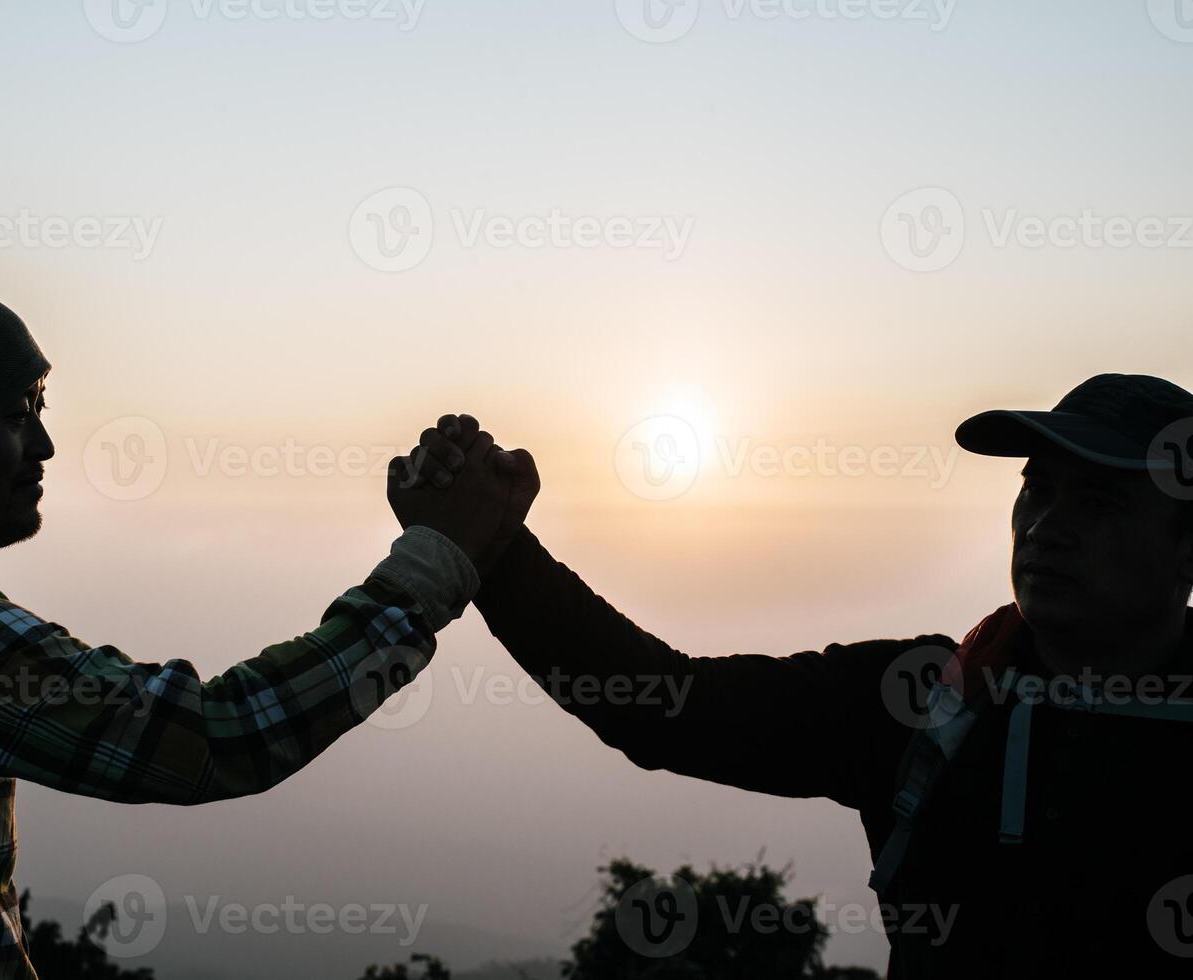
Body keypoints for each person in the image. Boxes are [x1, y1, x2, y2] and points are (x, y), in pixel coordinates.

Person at [0, 280, 533, 978]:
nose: (43, 445)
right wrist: (435, 564)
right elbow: (213, 737)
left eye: (40, 409)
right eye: (15, 414)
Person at [397, 378, 1193, 978]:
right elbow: (667, 706)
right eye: (1037, 490)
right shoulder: (927, 698)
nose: (1048, 527)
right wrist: (493, 548)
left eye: (1099, 502)